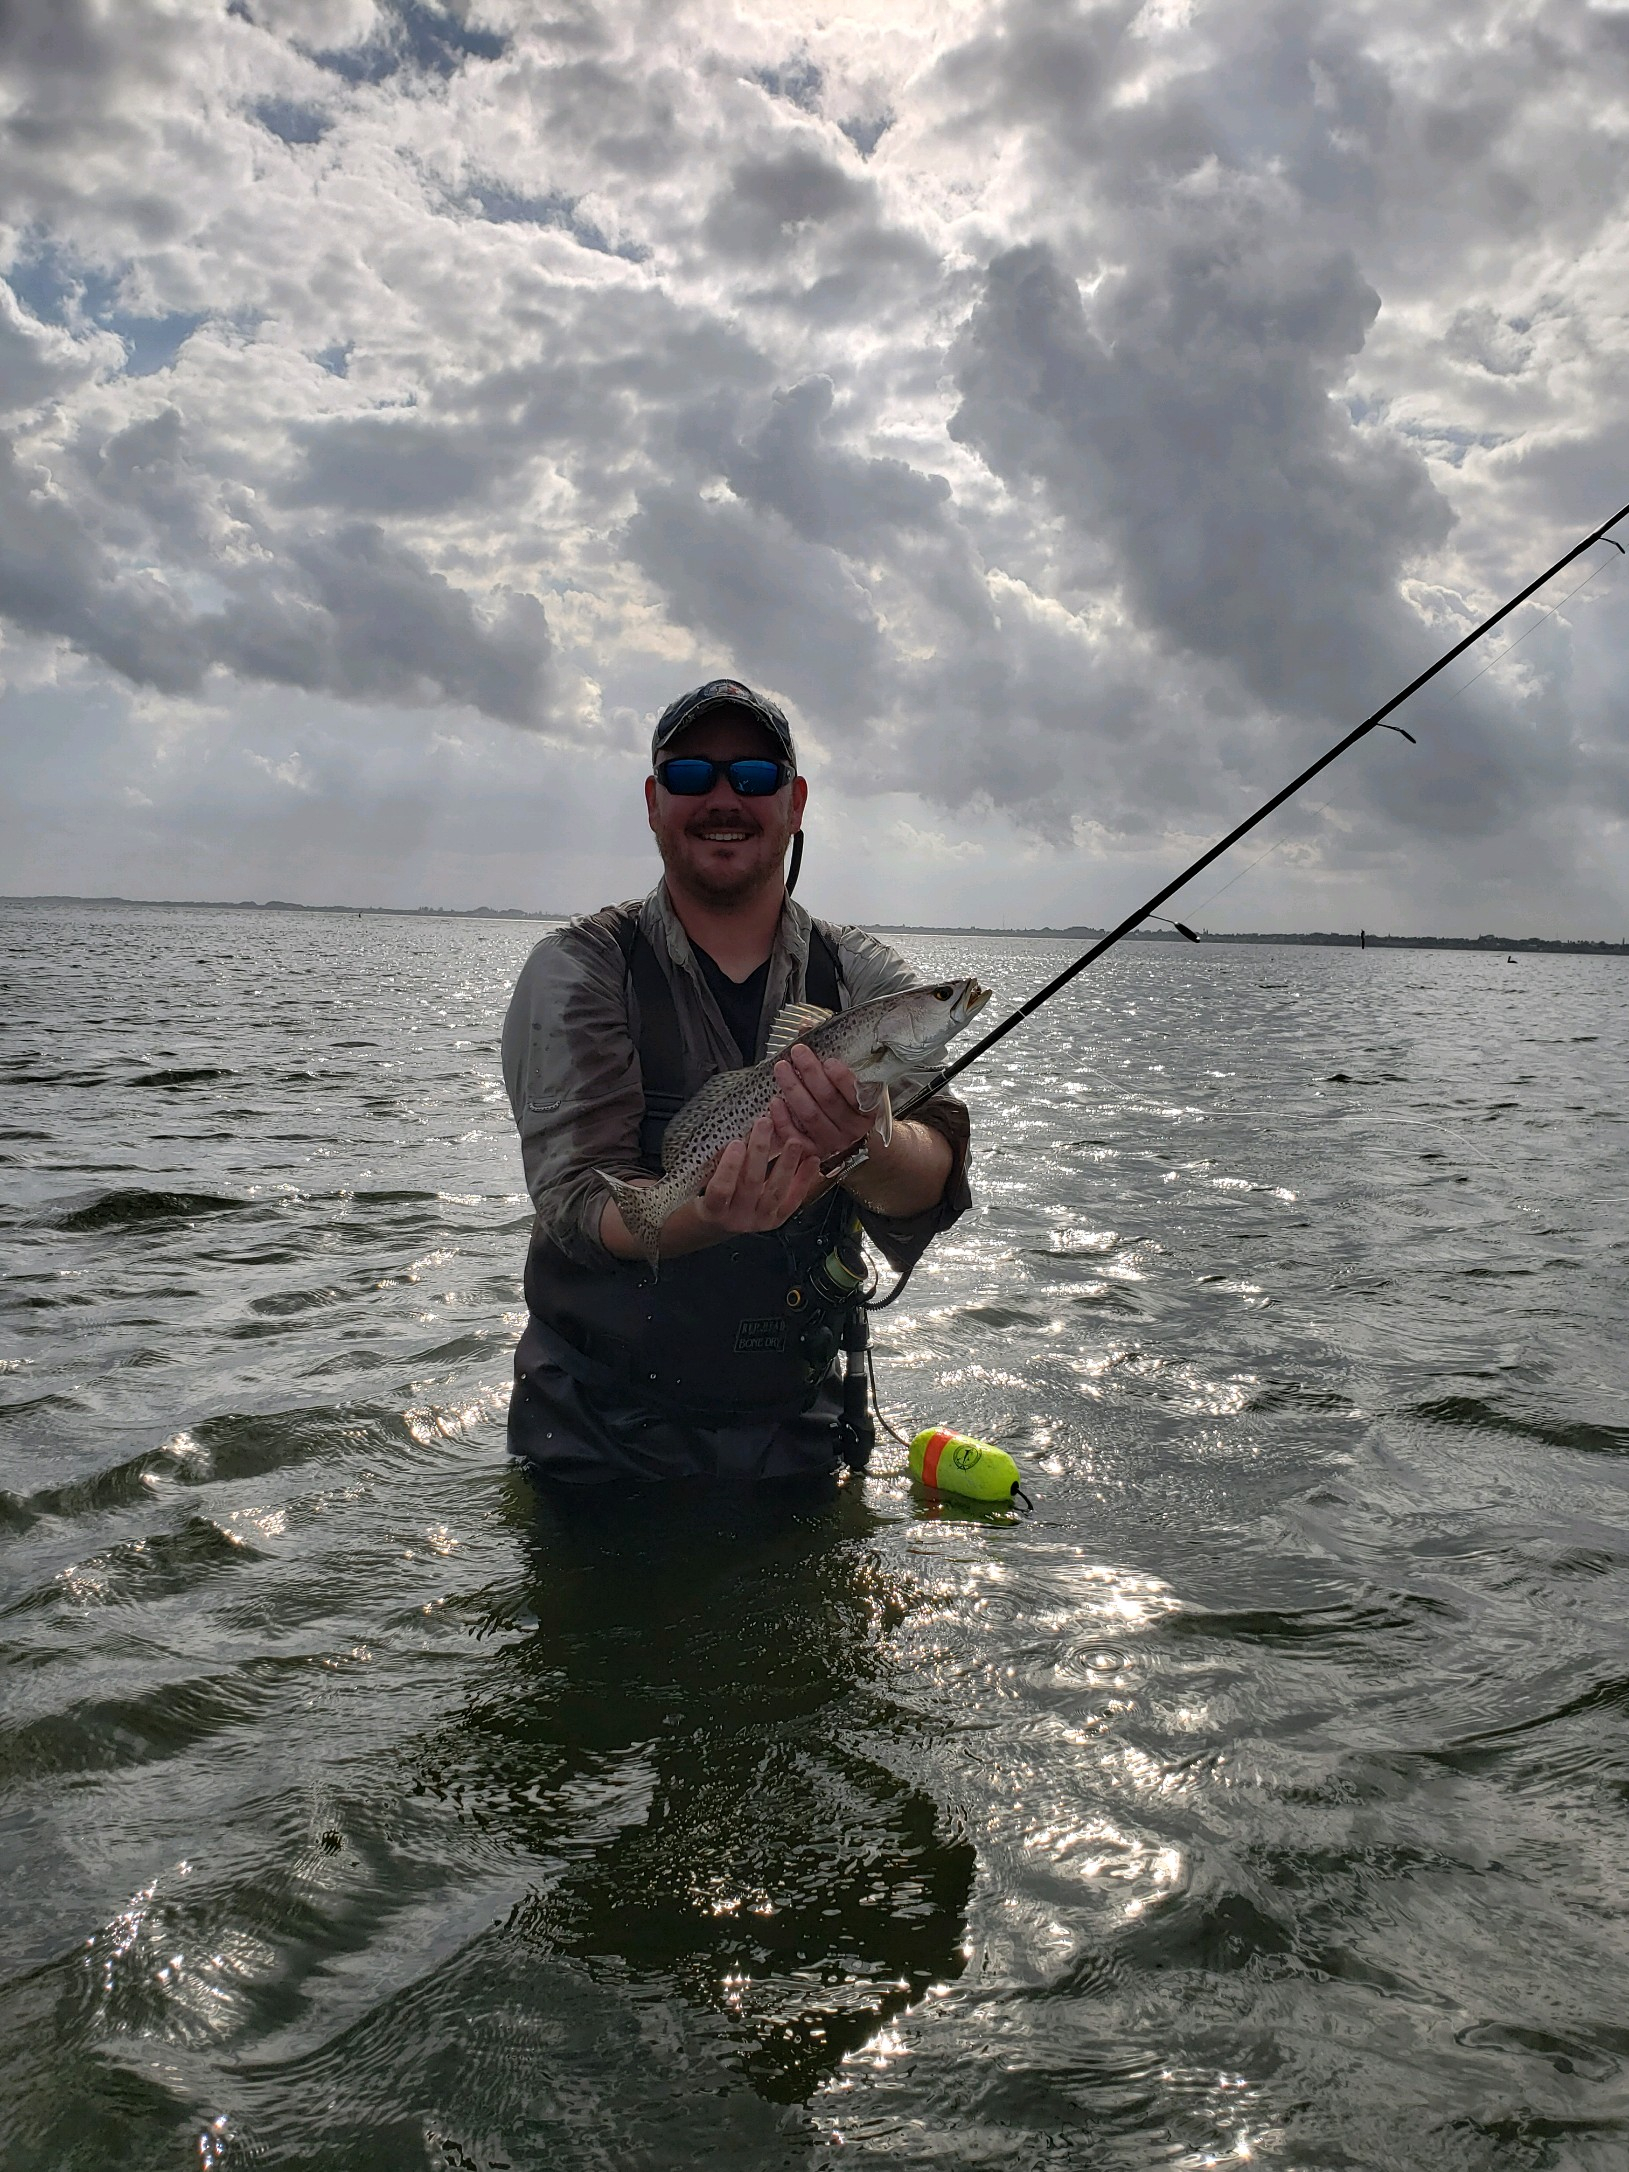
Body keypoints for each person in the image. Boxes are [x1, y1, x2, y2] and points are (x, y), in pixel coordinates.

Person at [500, 677, 972, 1485]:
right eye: (692, 777)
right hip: (593, 1431)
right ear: (654, 801)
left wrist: (872, 1139)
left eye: (754, 777)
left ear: (795, 802)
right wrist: (701, 1217)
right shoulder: (577, 970)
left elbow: (933, 1176)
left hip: (798, 1419)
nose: (724, 798)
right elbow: (575, 1203)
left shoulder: (864, 975)